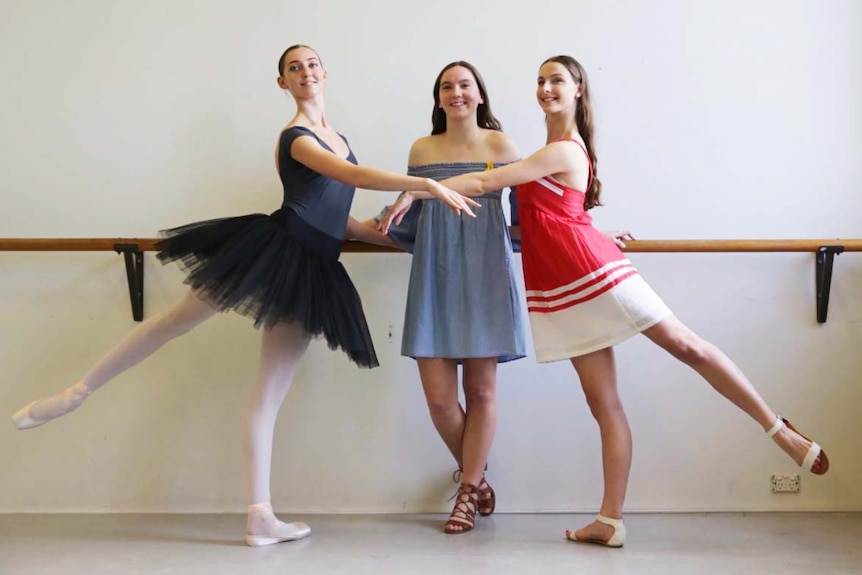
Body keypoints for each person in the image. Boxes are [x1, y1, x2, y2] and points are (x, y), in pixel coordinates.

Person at [11, 44, 479, 547]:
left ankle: (260, 516)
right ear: (282, 83)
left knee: (268, 395)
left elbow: (336, 214)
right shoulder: (295, 138)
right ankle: (75, 393)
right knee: (174, 321)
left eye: (311, 64)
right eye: (293, 68)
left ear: (326, 73)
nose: (305, 72)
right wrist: (428, 187)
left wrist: (391, 233)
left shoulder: (339, 137)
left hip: (313, 270)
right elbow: (352, 177)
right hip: (274, 249)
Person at [382, 54, 830, 548]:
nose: (545, 88)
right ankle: (610, 520)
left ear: (577, 90)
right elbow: (543, 218)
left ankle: (778, 429)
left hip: (593, 272)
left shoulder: (563, 150)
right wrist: (592, 227)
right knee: (606, 405)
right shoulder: (548, 149)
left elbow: (487, 183)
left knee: (688, 347)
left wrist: (418, 191)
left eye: (556, 80)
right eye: (540, 81)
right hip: (565, 290)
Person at [364, 61, 527, 534]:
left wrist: (591, 233)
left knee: (480, 392)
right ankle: (477, 483)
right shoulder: (422, 148)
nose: (456, 92)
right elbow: (409, 216)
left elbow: (525, 214)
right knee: (440, 401)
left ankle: (465, 495)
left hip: (484, 273)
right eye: (447, 87)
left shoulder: (502, 146)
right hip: (433, 273)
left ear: (480, 96)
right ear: (438, 99)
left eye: (465, 85)